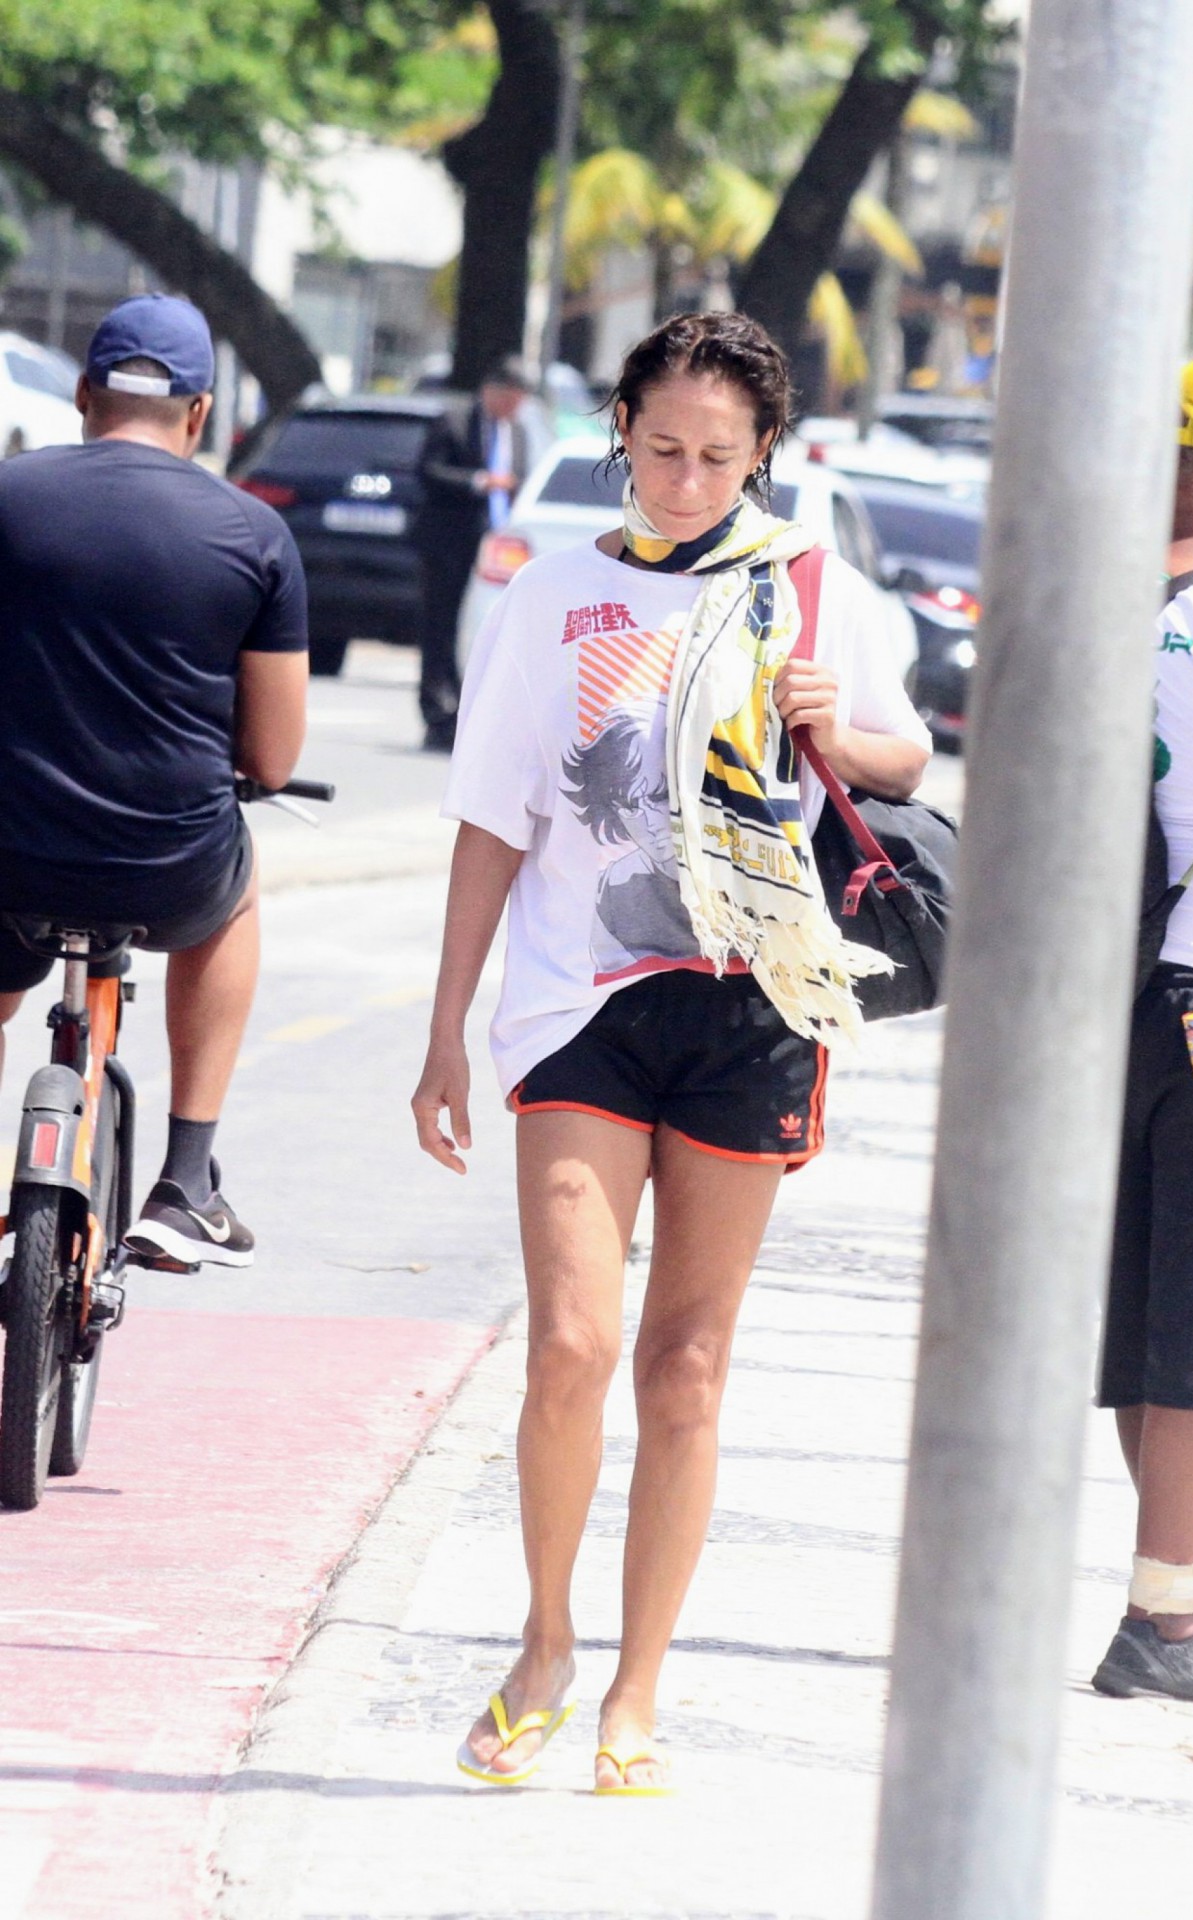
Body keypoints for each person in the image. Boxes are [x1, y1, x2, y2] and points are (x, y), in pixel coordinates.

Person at [412, 311, 931, 1791]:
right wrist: (444, 1028)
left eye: (717, 456)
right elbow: (493, 818)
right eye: (659, 451)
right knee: (571, 1341)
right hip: (580, 1001)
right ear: (618, 433)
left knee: (685, 1364)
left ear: (763, 450)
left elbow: (901, 761)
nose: (687, 481)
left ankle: (638, 1687)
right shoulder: (553, 593)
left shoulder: (811, 588)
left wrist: (844, 723)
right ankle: (544, 1641)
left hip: (751, 1000)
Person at [0, 294, 309, 1269]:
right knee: (238, 887)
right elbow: (273, 760)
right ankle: (186, 1177)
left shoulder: (7, 495)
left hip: (10, 858)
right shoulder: (253, 535)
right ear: (200, 413)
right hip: (165, 871)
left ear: (86, 393)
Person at [1092, 358, 1193, 1698]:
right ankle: (1163, 1619)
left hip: (1134, 993)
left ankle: (1167, 1586)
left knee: (1153, 1303)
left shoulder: (1118, 609)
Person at [414, 355, 534, 753]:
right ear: (492, 391)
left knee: (482, 631)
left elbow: (523, 476)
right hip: (450, 542)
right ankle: (437, 713)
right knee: (441, 627)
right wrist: (480, 482)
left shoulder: (517, 431)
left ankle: (472, 713)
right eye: (510, 399)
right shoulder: (454, 421)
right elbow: (428, 470)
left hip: (498, 548)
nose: (514, 409)